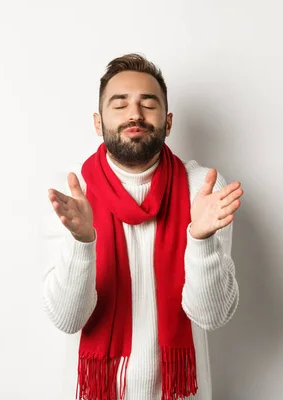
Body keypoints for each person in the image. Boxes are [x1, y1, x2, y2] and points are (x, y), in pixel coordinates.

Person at [41, 53, 243, 400]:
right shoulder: (72, 192)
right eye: (120, 105)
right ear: (97, 121)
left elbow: (212, 316)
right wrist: (83, 242)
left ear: (168, 122)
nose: (134, 113)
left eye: (148, 104)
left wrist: (200, 239)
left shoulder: (202, 188)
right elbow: (67, 318)